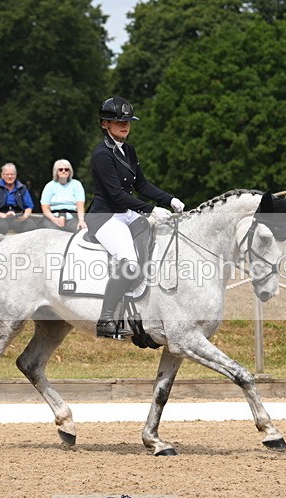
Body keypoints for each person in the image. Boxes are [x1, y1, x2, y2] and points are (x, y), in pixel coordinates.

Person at [86, 96, 185, 339]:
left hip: (126, 214)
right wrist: (150, 210)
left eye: (127, 121)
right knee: (129, 263)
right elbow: (117, 195)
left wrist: (168, 199)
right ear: (104, 124)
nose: (124, 125)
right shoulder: (102, 154)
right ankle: (106, 318)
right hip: (106, 217)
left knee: (154, 246)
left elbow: (141, 183)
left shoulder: (128, 150)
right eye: (118, 121)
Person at [0, 162, 37, 234]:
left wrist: (25, 216)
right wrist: (4, 216)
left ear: (16, 175)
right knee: (1, 227)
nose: (10, 176)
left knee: (31, 227)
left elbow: (29, 206)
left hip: (16, 216)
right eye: (7, 174)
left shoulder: (22, 188)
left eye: (12, 174)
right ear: (2, 175)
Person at [40, 159, 87, 232]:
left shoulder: (76, 184)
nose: (64, 171)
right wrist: (54, 219)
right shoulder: (49, 186)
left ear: (70, 171)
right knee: (50, 233)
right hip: (52, 218)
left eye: (66, 169)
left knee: (81, 231)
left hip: (72, 218)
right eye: (61, 169)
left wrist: (81, 220)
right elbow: (45, 208)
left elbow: (80, 205)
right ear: (56, 171)